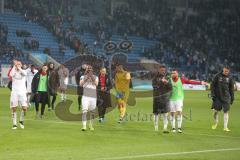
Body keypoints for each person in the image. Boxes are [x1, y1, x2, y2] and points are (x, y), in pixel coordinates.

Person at [211, 66, 235, 132]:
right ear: (223, 70)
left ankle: (225, 127)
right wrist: (212, 94)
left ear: (229, 71)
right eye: (224, 71)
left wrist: (232, 98)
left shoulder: (230, 78)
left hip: (226, 97)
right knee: (215, 112)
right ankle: (216, 122)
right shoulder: (217, 76)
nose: (225, 72)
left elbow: (231, 89)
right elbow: (212, 85)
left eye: (227, 71)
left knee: (226, 111)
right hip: (217, 97)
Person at [152, 65, 172, 133]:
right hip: (157, 98)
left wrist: (167, 83)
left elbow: (170, 88)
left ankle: (165, 128)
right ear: (158, 70)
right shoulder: (155, 78)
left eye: (164, 70)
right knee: (156, 114)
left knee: (165, 114)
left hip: (165, 99)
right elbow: (154, 86)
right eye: (161, 70)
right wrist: (161, 81)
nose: (163, 71)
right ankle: (156, 128)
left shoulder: (167, 78)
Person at [9, 60, 28, 129]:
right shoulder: (13, 71)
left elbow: (24, 74)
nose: (18, 65)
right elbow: (11, 75)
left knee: (25, 108)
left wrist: (19, 67)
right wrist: (15, 66)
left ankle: (21, 120)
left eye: (19, 64)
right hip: (15, 92)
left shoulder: (24, 71)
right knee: (14, 108)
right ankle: (14, 124)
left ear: (21, 65)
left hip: (22, 92)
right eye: (17, 64)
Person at [80, 65, 99, 131]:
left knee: (92, 112)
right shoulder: (82, 77)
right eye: (88, 69)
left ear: (92, 70)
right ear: (86, 70)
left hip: (93, 97)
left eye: (90, 69)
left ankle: (91, 124)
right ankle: (84, 126)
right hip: (85, 96)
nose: (89, 70)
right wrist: (87, 77)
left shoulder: (96, 77)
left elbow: (96, 84)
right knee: (84, 111)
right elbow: (81, 84)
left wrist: (92, 77)